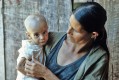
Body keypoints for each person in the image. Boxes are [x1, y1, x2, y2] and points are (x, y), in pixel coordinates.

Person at [24, 2, 109, 80]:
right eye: (70, 24)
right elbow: (23, 64)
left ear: (93, 34)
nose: (68, 31)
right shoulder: (50, 38)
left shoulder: (98, 59)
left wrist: (46, 74)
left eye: (75, 30)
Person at [16, 13, 48, 80]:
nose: (42, 37)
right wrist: (38, 77)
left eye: (44, 32)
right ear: (29, 35)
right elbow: (19, 66)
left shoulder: (38, 45)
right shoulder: (29, 48)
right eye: (36, 35)